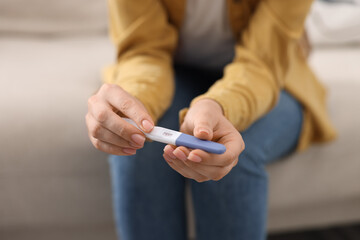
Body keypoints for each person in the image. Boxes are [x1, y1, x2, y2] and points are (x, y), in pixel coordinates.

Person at [85, 0, 337, 239]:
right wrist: (135, 103)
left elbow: (261, 65)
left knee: (229, 154)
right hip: (175, 72)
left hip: (275, 79)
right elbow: (144, 50)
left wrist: (219, 105)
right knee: (139, 149)